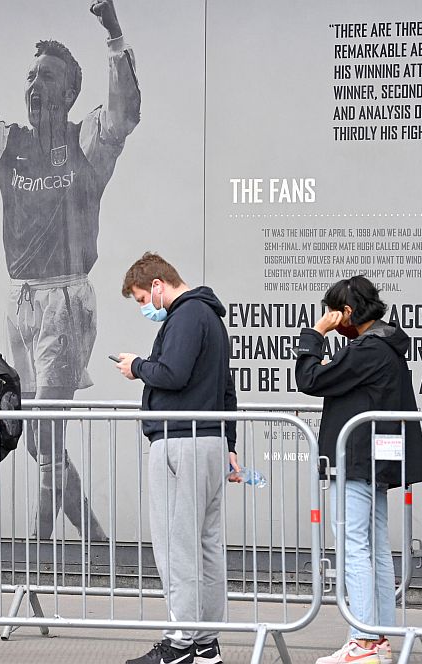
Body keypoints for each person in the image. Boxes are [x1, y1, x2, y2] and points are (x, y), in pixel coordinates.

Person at [0, 0, 141, 541]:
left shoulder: (87, 141)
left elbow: (123, 113)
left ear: (68, 92)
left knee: (46, 428)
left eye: (46, 74)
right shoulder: (10, 144)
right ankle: (94, 540)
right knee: (36, 439)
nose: (33, 82)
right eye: (30, 73)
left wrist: (115, 36)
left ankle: (35, 554)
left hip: (66, 300)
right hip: (20, 301)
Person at [293, 275, 422, 664]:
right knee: (375, 549)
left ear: (347, 312)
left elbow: (309, 378)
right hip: (376, 462)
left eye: (332, 312)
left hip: (355, 461)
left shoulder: (366, 348)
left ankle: (364, 642)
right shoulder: (386, 344)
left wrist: (316, 333)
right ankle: (378, 638)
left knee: (354, 548)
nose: (330, 319)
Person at [114, 253, 241, 664]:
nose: (143, 307)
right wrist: (231, 445)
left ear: (157, 285)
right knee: (206, 545)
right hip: (209, 443)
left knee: (176, 545)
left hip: (178, 442)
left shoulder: (185, 317)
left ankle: (180, 642)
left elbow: (173, 374)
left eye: (140, 298)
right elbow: (226, 390)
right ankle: (205, 642)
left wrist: (138, 366)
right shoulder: (212, 319)